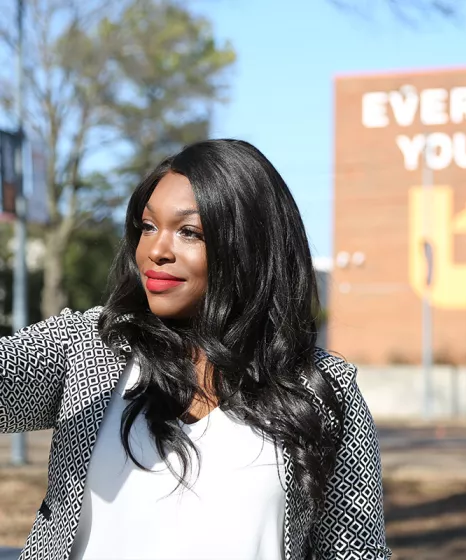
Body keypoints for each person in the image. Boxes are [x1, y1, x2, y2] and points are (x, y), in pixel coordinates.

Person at [0, 139, 391, 560]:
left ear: (248, 246)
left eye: (189, 232)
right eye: (148, 227)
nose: (156, 251)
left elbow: (357, 551)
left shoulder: (320, 389)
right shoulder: (89, 346)